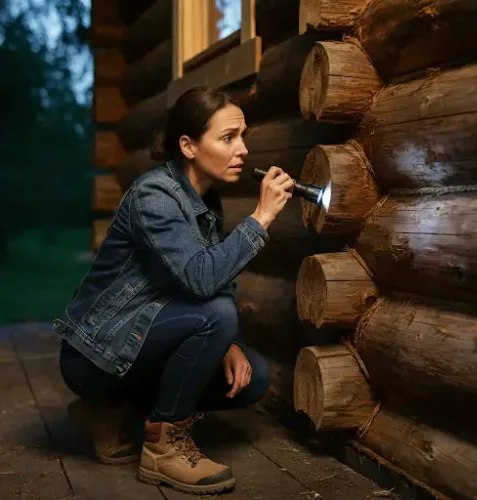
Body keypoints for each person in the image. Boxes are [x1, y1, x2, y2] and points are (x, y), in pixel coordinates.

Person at [52, 86, 295, 495]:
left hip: (143, 336)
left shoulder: (205, 201)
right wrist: (261, 217)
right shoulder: (154, 196)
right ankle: (162, 450)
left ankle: (112, 413)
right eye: (228, 137)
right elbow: (202, 278)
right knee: (216, 315)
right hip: (95, 352)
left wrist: (228, 343)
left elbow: (219, 281)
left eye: (244, 136)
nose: (243, 150)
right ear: (188, 146)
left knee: (253, 379)